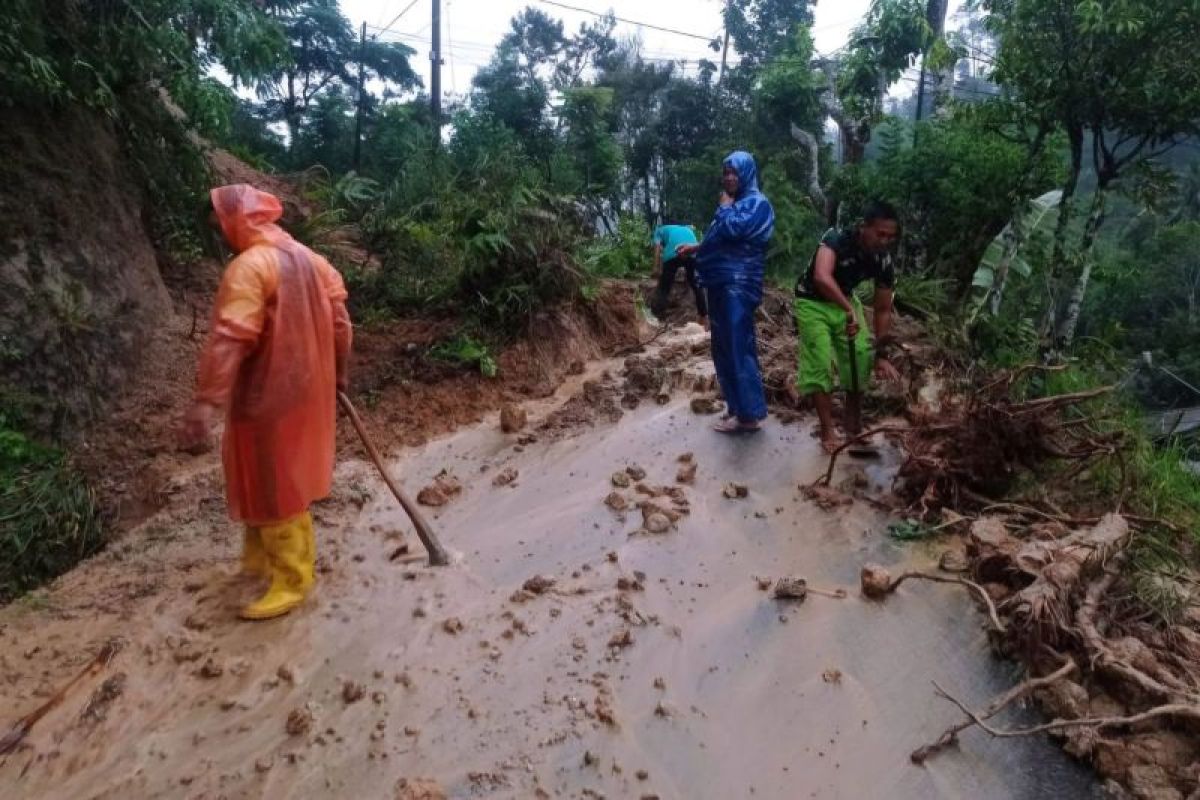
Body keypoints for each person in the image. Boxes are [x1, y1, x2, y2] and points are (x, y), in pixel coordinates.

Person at [178, 184, 353, 621]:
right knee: (266, 476)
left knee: (274, 481)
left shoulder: (251, 267)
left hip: (265, 397)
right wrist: (340, 375)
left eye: (221, 222)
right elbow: (341, 325)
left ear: (235, 220)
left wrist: (206, 401)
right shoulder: (315, 262)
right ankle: (259, 562)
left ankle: (293, 579)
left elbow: (230, 339)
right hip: (309, 391)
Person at [794, 201, 903, 454]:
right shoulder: (836, 238)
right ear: (864, 227)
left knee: (861, 356)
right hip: (812, 300)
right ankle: (827, 431)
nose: (885, 241)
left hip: (844, 300)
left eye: (890, 236)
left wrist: (882, 354)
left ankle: (853, 426)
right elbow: (821, 277)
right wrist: (849, 310)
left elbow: (883, 309)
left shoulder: (883, 260)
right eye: (880, 233)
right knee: (820, 363)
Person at [678, 151, 775, 434]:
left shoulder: (758, 204)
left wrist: (723, 209)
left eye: (734, 172)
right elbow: (719, 237)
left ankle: (748, 415)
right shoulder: (736, 204)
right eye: (726, 172)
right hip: (720, 283)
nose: (729, 178)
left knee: (737, 346)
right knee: (722, 348)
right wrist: (696, 248)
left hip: (739, 284)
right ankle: (737, 407)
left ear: (747, 173)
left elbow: (735, 231)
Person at [649, 221, 707, 328]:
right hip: (692, 249)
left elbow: (657, 250)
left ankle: (659, 318)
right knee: (696, 284)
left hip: (674, 250)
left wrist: (655, 268)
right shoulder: (686, 228)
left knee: (664, 287)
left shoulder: (658, 230)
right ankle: (703, 317)